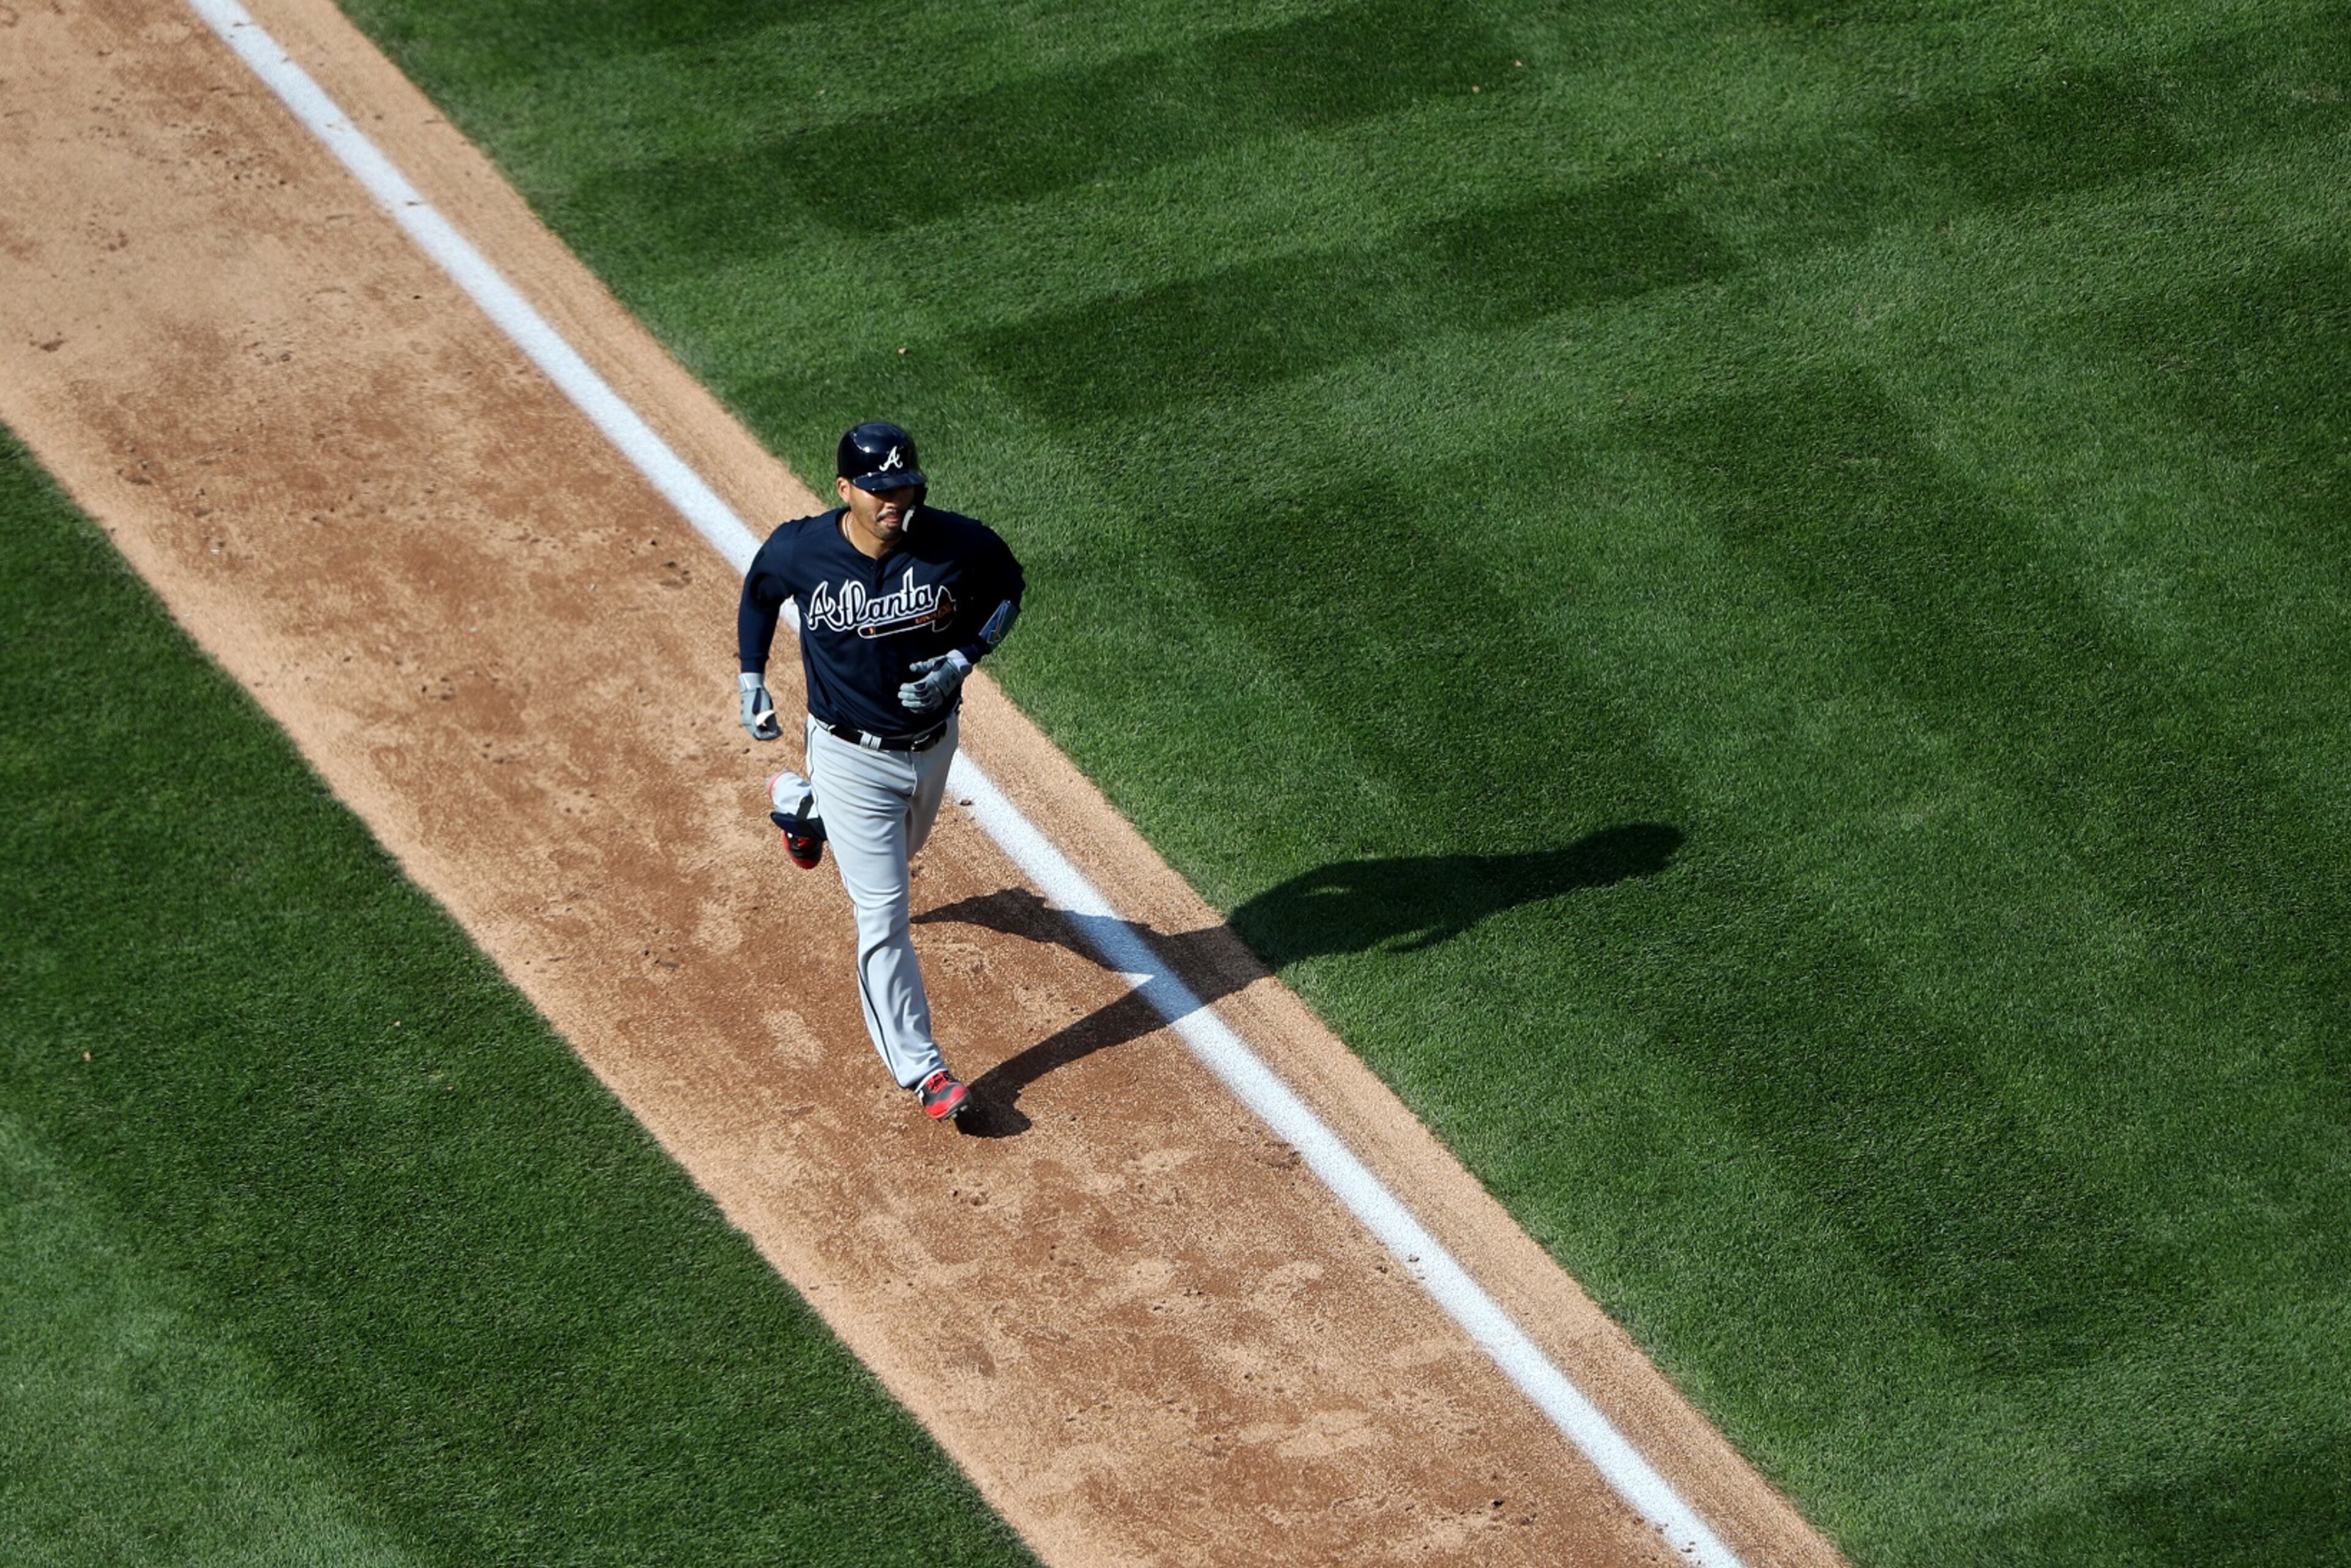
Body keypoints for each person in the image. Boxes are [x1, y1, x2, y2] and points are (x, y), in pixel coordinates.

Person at [736, 421, 1025, 1122]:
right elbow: (759, 592)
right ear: (846, 490)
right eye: (879, 491)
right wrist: (751, 675)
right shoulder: (801, 549)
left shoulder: (958, 543)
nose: (895, 501)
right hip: (847, 751)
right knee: (884, 911)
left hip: (932, 746)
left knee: (903, 852)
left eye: (905, 487)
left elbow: (1009, 589)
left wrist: (963, 659)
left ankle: (802, 810)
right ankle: (923, 1069)